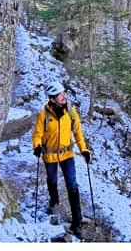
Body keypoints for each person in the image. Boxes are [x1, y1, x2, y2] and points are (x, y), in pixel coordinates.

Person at [32, 81, 90, 238]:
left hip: (67, 154)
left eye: (63, 93)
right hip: (50, 154)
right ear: (52, 99)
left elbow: (78, 132)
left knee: (72, 183)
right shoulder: (44, 115)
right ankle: (54, 201)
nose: (64, 96)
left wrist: (83, 149)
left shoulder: (71, 112)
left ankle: (77, 222)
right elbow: (37, 134)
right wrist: (37, 146)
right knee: (52, 180)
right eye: (60, 95)